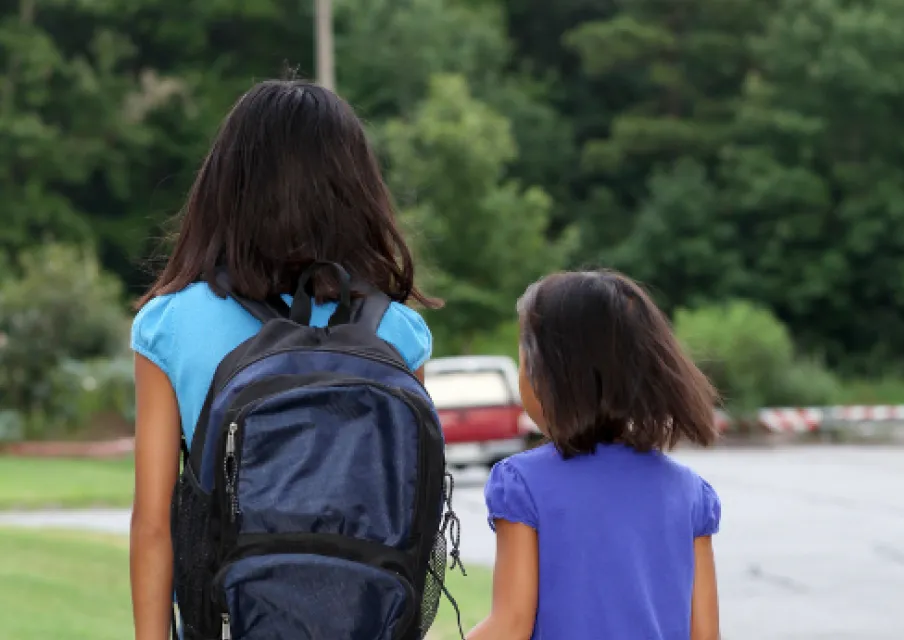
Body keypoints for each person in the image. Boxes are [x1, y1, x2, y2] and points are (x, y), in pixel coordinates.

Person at [128, 80, 440, 640]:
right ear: (355, 190)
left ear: (226, 186)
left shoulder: (169, 324)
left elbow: (154, 526)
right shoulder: (397, 333)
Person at [467, 270, 722, 640]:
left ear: (548, 374)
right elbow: (705, 635)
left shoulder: (522, 483)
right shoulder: (691, 493)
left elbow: (510, 625)